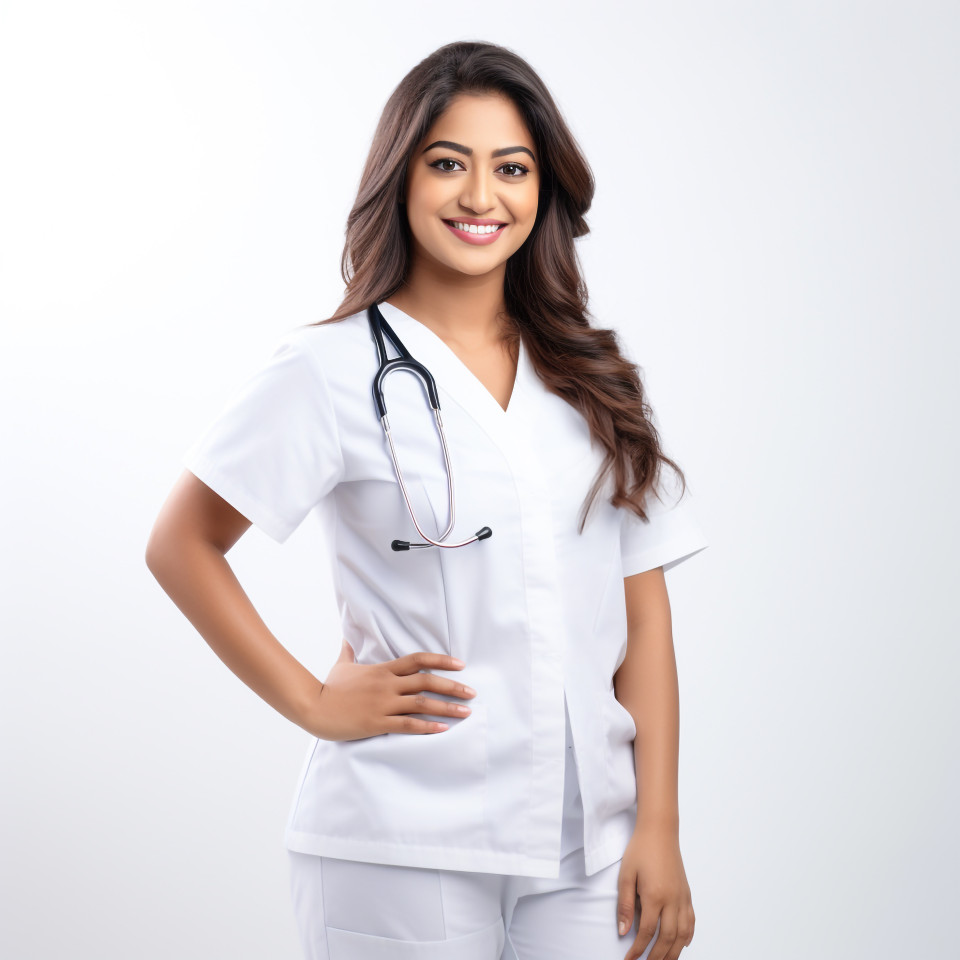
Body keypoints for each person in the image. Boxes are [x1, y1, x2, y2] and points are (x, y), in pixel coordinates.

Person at [146, 40, 708, 960]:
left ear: (545, 190)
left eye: (512, 169)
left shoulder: (592, 380)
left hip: (589, 845)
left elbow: (642, 618)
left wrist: (660, 825)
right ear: (399, 180)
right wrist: (312, 700)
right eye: (448, 163)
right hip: (399, 838)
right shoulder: (328, 369)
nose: (481, 197)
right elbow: (181, 543)